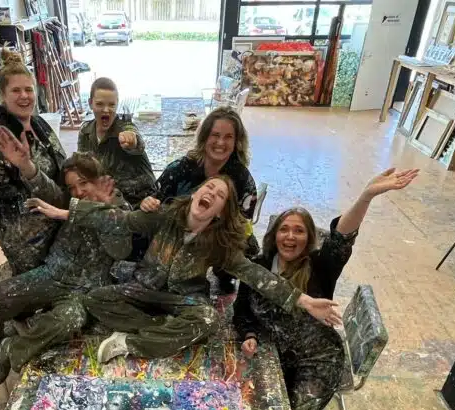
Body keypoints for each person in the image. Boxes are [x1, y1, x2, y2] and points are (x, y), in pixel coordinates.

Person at [27, 175, 342, 365]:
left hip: (183, 300)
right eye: (209, 187)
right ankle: (163, 330)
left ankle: (130, 342)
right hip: (142, 289)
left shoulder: (218, 243)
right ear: (195, 194)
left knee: (207, 319)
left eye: (220, 196)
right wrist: (65, 212)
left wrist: (303, 300)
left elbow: (255, 274)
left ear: (219, 213)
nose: (211, 193)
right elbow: (118, 219)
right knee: (95, 299)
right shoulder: (164, 215)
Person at [234, 168, 419, 410]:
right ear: (274, 235)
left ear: (309, 238)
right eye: (284, 229)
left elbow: (341, 237)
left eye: (299, 231)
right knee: (248, 409)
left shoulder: (320, 265)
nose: (290, 236)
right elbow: (242, 311)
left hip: (319, 358)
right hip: (278, 353)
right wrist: (250, 334)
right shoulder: (258, 267)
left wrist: (366, 196)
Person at [0, 153, 131, 385]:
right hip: (51, 274)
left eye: (83, 183)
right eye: (72, 187)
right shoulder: (71, 202)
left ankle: (12, 350)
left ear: (99, 178)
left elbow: (120, 251)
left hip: (83, 290)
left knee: (70, 319)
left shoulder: (119, 208)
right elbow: (47, 190)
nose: (78, 191)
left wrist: (104, 211)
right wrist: (25, 165)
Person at [140, 107, 259, 292]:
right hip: (177, 233)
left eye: (228, 137)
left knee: (249, 249)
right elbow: (153, 198)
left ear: (237, 142)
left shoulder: (243, 180)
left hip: (217, 237)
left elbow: (244, 224)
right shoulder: (179, 169)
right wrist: (147, 203)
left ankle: (225, 278)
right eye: (215, 135)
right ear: (204, 137)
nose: (221, 142)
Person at [0, 46, 67, 273]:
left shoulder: (40, 124)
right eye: (16, 90)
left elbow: (62, 169)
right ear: (3, 95)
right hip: (31, 245)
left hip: (58, 217)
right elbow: (16, 216)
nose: (24, 96)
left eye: (28, 89)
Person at [78, 77, 157, 209]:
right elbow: (82, 165)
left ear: (117, 104)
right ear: (90, 103)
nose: (106, 110)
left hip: (141, 200)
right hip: (110, 198)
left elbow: (136, 141)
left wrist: (132, 140)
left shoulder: (124, 127)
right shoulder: (85, 131)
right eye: (100, 104)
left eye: (111, 105)